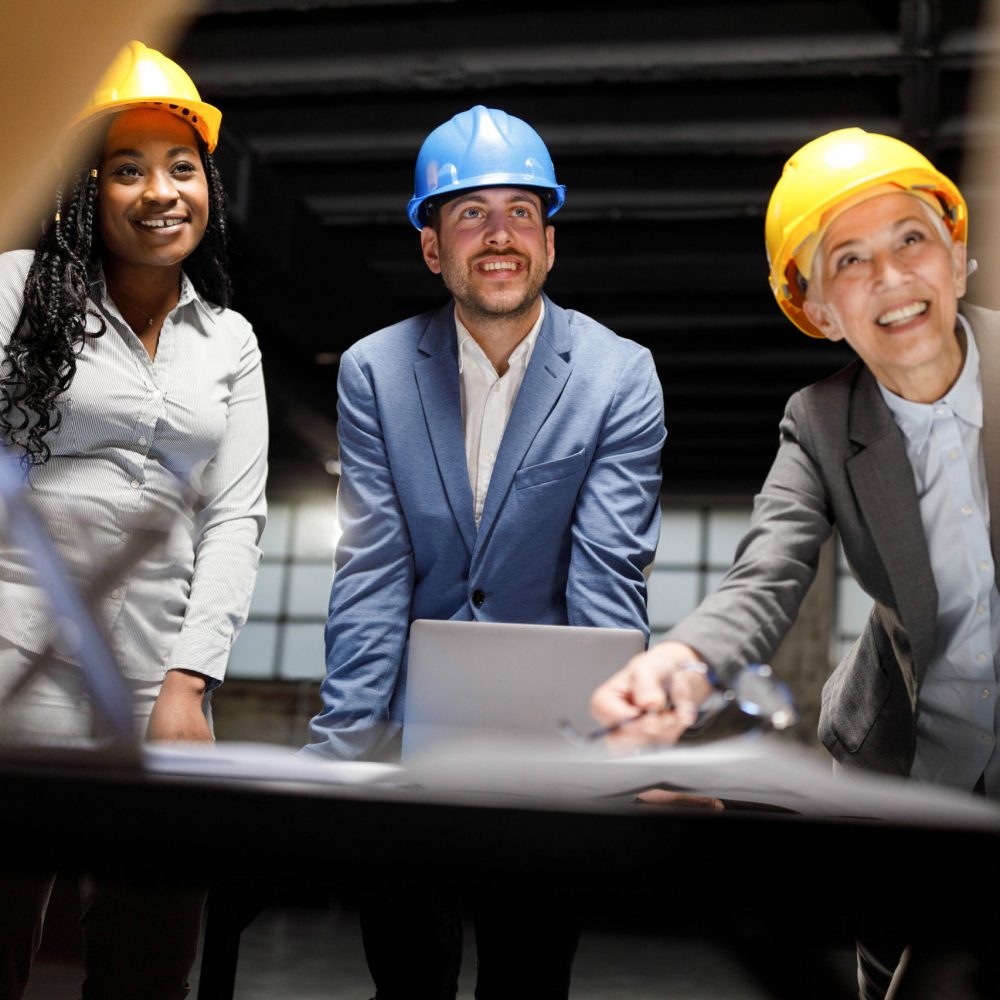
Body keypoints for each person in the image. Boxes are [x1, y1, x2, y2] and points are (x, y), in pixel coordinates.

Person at [590, 127, 1000, 998]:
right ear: (816, 308)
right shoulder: (818, 422)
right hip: (906, 774)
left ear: (958, 257)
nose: (890, 277)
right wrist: (684, 661)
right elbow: (767, 572)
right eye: (849, 260)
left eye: (912, 240)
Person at [303, 105, 665, 998]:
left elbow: (607, 579)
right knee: (407, 982)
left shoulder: (620, 374)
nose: (498, 235)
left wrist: (626, 752)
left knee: (530, 982)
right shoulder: (374, 371)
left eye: (520, 213)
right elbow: (374, 570)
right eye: (469, 213)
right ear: (432, 247)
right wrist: (339, 756)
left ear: (549, 241)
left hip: (549, 751)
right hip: (406, 747)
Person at [0, 41, 268, 999]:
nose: (162, 191)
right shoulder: (15, 289)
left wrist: (191, 681)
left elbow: (236, 517)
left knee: (154, 946)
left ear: (209, 185)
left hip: (159, 667)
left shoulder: (230, 341)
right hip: (13, 655)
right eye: (128, 169)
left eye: (182, 167)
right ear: (87, 189)